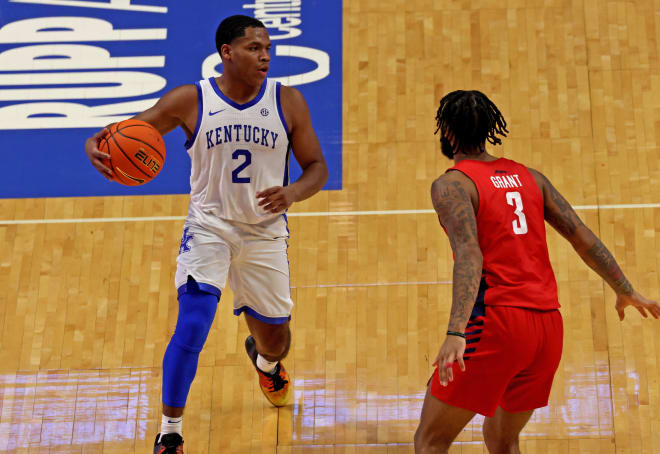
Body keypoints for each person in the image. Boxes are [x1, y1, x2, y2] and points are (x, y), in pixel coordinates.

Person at [85, 15, 328, 454]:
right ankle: (169, 431)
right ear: (226, 53)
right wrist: (96, 145)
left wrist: (292, 192)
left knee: (278, 339)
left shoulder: (288, 101)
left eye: (268, 48)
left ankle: (266, 361)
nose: (265, 56)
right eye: (255, 48)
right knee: (193, 324)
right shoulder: (190, 99)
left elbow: (318, 168)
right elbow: (125, 132)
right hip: (208, 227)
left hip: (264, 234)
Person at [414, 90, 660, 454]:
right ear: (489, 130)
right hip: (547, 331)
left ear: (446, 132)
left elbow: (469, 254)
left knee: (431, 441)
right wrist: (624, 288)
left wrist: (456, 331)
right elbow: (582, 236)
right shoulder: (530, 178)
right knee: (502, 440)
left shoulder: (452, 185)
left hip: (498, 325)